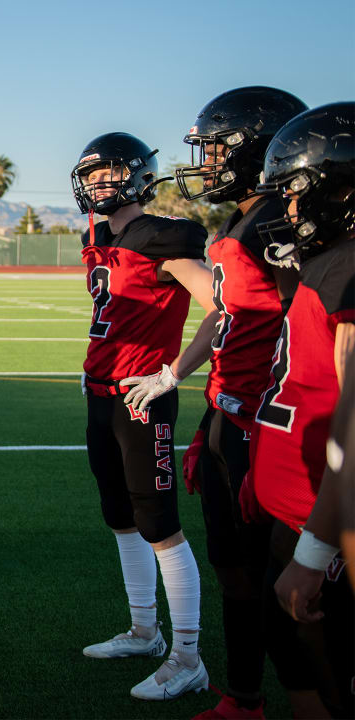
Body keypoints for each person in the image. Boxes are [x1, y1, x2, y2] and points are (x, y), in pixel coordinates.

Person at [175, 87, 322, 719]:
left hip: (261, 420)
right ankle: (243, 697)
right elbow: (233, 311)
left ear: (255, 146)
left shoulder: (275, 221)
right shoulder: (245, 218)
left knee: (279, 587)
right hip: (228, 412)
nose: (206, 162)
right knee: (233, 569)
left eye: (215, 149)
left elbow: (306, 323)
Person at [70, 132, 222, 701]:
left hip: (143, 396)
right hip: (101, 393)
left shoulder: (163, 237)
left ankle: (188, 657)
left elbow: (223, 309)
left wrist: (173, 372)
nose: (97, 184)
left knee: (159, 524)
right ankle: (143, 631)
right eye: (90, 175)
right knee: (120, 514)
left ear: (136, 175)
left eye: (109, 173)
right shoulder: (103, 234)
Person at [241, 101, 354, 718]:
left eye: (295, 193)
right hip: (299, 516)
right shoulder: (326, 264)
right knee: (294, 663)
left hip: (330, 531)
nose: (286, 210)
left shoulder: (349, 272)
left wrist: (314, 554)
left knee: (331, 676)